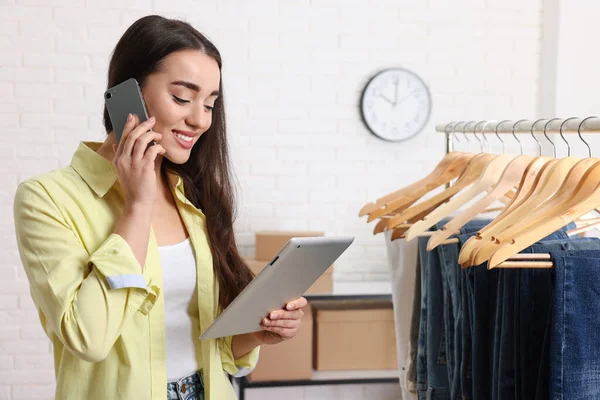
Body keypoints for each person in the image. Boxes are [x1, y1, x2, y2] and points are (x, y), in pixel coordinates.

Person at [13, 15, 307, 400]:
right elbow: (88, 338)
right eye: (183, 98)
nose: (200, 120)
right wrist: (138, 205)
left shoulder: (192, 194)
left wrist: (256, 334)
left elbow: (205, 345)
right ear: (126, 95)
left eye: (210, 103)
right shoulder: (47, 199)